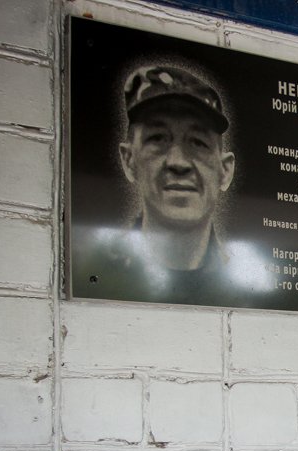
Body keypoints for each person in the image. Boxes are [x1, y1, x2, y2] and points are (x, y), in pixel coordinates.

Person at [75, 64, 242, 306]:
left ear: (225, 171)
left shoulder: (247, 288)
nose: (178, 162)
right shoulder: (92, 274)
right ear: (129, 160)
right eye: (158, 139)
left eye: (198, 142)